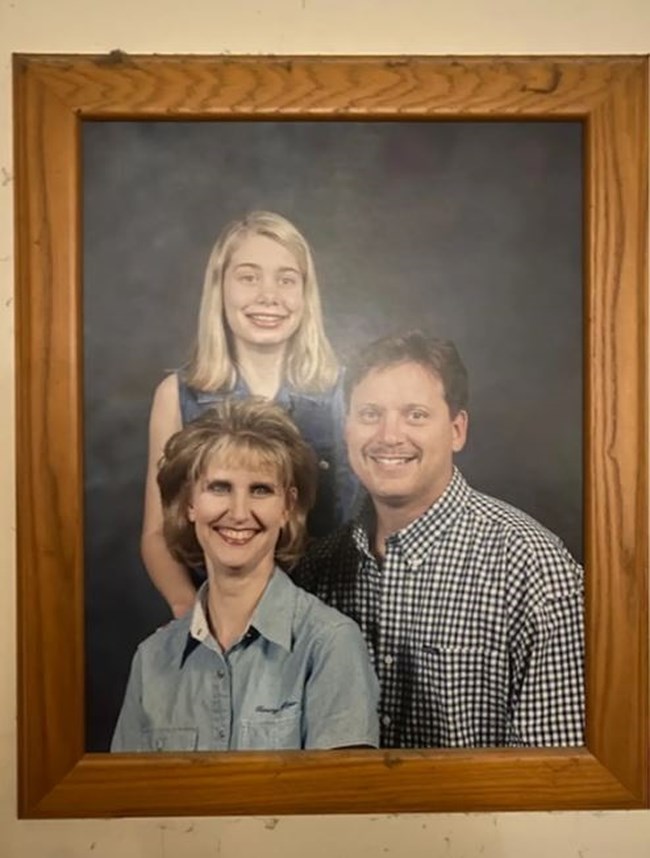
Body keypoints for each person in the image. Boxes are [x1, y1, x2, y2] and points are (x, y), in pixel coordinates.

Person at [293, 330, 584, 749]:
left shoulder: (533, 569)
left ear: (457, 430)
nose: (389, 436)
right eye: (370, 414)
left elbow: (559, 773)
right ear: (347, 428)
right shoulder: (317, 571)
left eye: (415, 415)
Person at [113, 398, 379, 752]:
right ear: (190, 503)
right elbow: (125, 788)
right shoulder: (152, 660)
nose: (239, 513)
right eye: (219, 487)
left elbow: (342, 788)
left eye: (260, 490)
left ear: (287, 507)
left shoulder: (330, 644)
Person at [142, 211, 356, 619]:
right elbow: (156, 534)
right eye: (249, 277)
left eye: (286, 279)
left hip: (326, 620)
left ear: (306, 294)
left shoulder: (345, 392)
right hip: (220, 621)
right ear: (220, 288)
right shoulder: (177, 395)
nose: (268, 296)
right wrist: (190, 611)